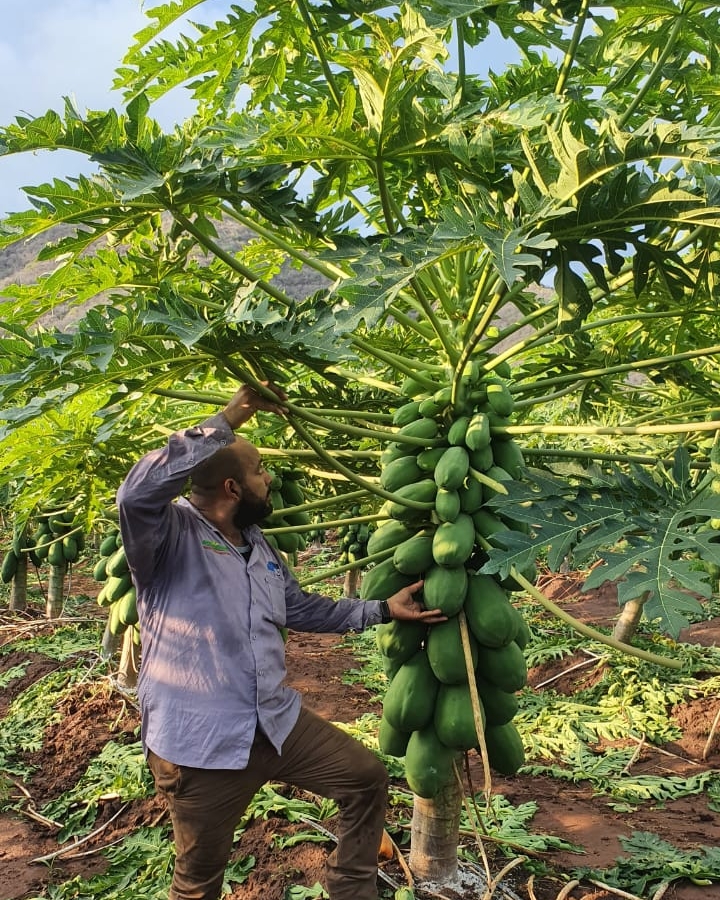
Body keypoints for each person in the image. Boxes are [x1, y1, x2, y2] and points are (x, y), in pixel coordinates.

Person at [116, 383, 446, 900]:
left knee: (365, 779)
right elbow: (137, 493)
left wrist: (383, 609)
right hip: (202, 746)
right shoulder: (167, 536)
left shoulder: (258, 546)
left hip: (275, 723)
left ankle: (352, 889)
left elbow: (300, 608)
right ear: (232, 487)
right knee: (197, 882)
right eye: (260, 472)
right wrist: (228, 419)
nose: (269, 480)